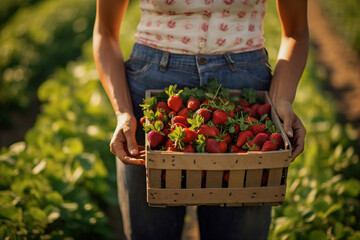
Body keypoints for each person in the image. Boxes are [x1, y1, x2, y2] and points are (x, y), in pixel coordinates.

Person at [92, 0, 308, 239]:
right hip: (152, 92)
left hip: (245, 93)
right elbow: (105, 31)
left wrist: (283, 99)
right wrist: (123, 111)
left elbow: (295, 31)